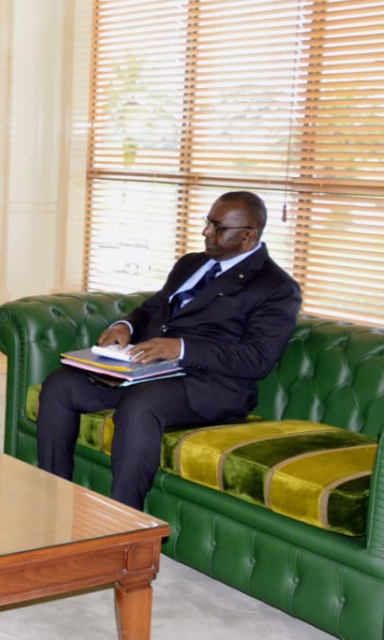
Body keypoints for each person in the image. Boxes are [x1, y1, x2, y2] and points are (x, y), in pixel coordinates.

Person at [37, 190, 302, 510]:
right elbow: (154, 308)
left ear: (248, 235)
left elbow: (257, 359)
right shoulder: (191, 264)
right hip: (146, 371)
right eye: (208, 222)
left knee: (140, 405)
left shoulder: (276, 287)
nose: (205, 232)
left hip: (207, 386)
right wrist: (126, 326)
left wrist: (182, 348)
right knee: (61, 384)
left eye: (217, 228)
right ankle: (51, 499)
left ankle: (124, 521)